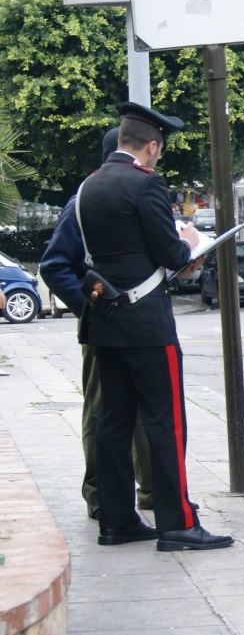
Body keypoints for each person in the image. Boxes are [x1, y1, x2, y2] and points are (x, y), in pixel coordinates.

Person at [77, 102, 232, 551]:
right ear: (151, 146)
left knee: (112, 422)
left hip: (105, 323)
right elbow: (172, 255)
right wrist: (188, 243)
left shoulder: (89, 187)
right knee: (166, 422)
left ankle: (117, 520)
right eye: (158, 151)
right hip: (147, 324)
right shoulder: (146, 185)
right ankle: (177, 523)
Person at [40, 127, 160, 520]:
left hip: (138, 320)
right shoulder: (85, 200)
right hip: (104, 321)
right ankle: (100, 494)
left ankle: (153, 490)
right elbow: (54, 265)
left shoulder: (131, 195)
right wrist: (89, 308)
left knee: (145, 408)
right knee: (102, 409)